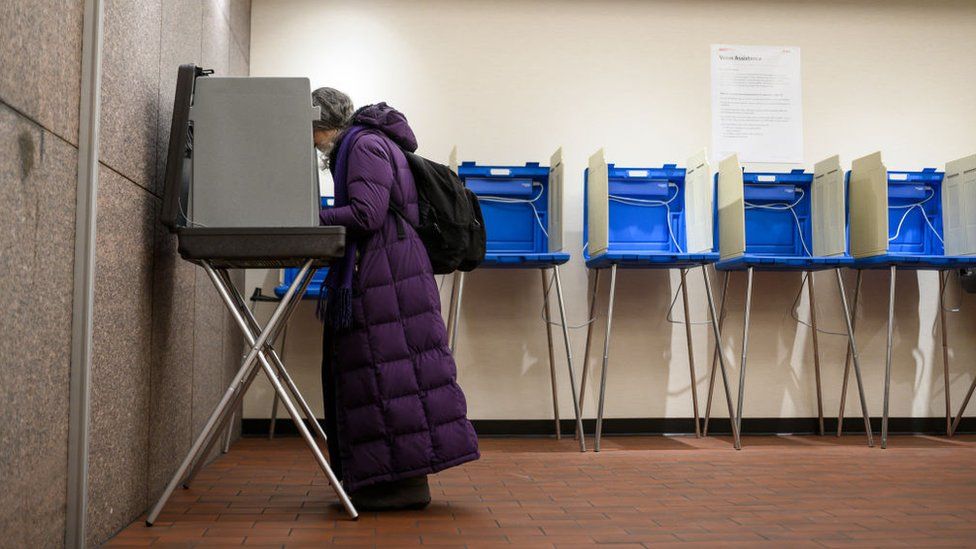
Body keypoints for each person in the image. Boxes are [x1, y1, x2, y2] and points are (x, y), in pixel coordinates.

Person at [311, 88, 479, 511]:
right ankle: (382, 480)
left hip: (387, 271)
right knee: (383, 375)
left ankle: (397, 485)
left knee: (388, 376)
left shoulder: (363, 144)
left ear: (320, 124)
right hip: (390, 269)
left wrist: (306, 216)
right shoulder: (364, 142)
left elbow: (367, 214)